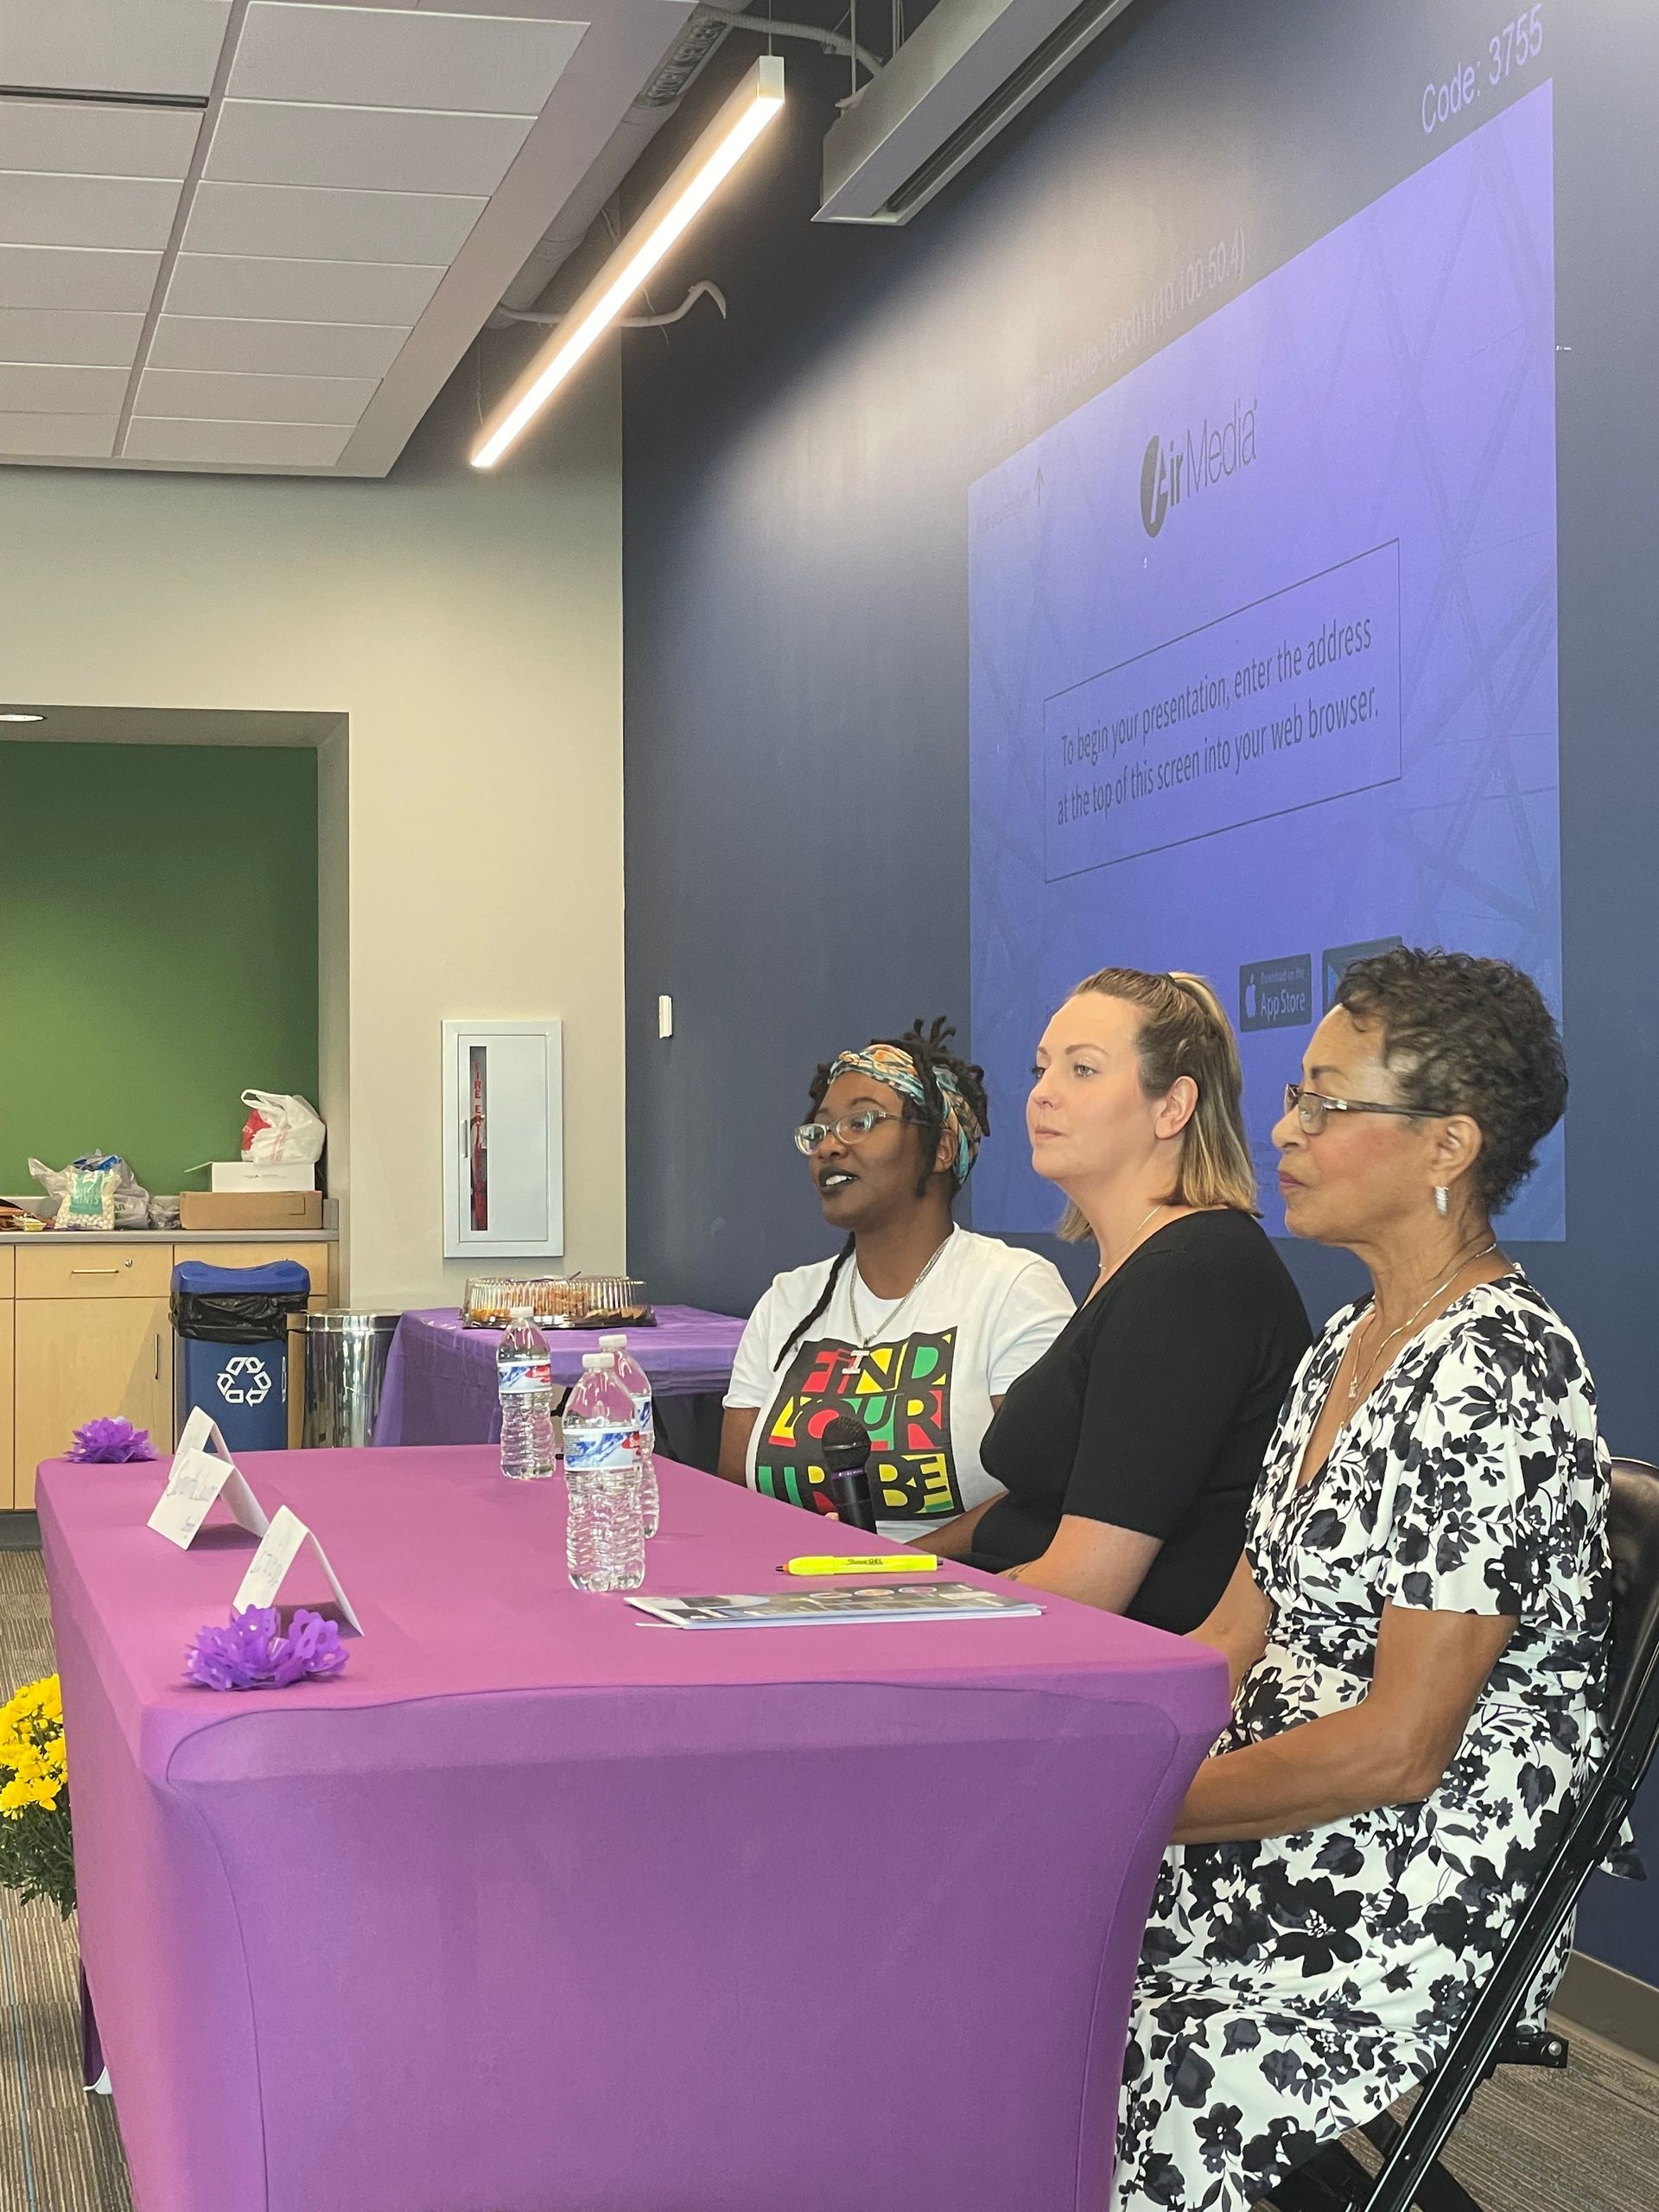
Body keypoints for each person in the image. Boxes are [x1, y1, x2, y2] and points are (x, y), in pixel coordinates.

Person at [1110, 948, 1617, 2212]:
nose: (1285, 1130)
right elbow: (1234, 1631)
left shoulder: (1499, 1375)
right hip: (1279, 1812)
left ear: (1448, 1144)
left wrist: (1134, 1812)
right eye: (1297, 1095)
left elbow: (1401, 1748)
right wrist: (1098, 1758)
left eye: (1328, 1102)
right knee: (1000, 1945)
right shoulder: (1348, 1338)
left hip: (1412, 1866)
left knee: (1109, 2045)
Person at [940, 970, 1310, 1631]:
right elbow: (1040, 1513)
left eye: (1082, 1070)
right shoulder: (1143, 1263)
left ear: (1173, 1107)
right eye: (1041, 1069)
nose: (1042, 1094)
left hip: (1102, 1665)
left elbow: (1084, 1589)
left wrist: (914, 1607)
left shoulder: (1188, 1278)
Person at [718, 1019, 1074, 1541]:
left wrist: (891, 1567)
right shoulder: (787, 1302)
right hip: (791, 1582)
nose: (829, 1147)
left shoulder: (1012, 1289)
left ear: (941, 1148)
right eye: (820, 1131)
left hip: (954, 1586)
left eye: (861, 1122)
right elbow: (732, 1498)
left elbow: (1040, 1494)